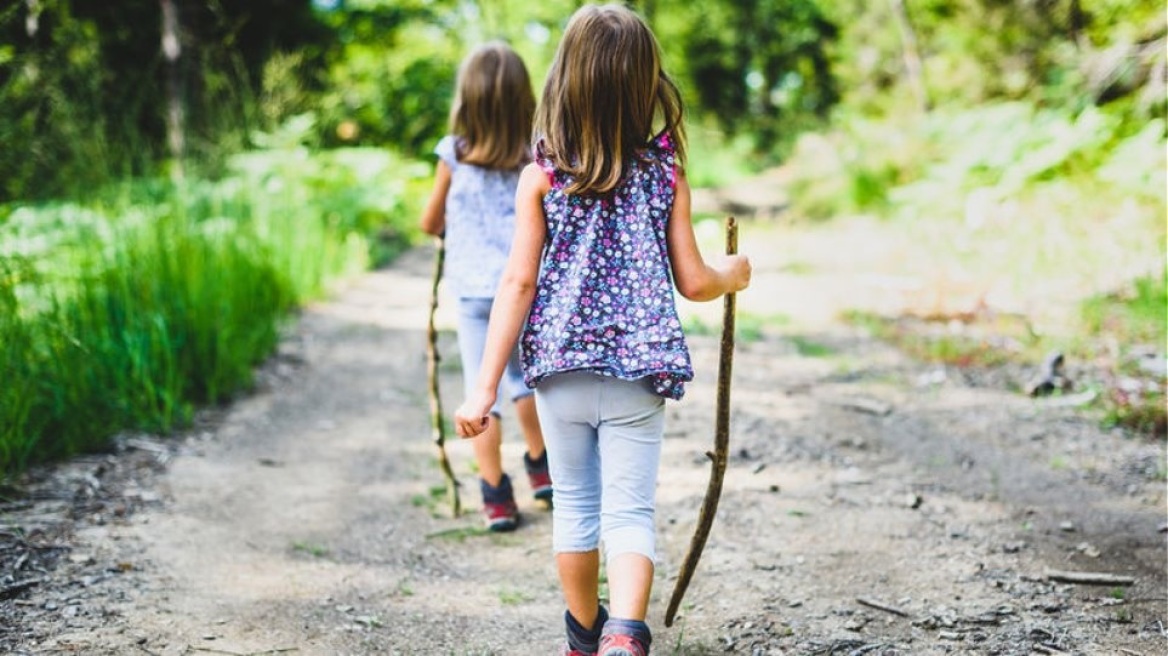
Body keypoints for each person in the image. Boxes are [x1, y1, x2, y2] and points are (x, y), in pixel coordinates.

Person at [453, 5, 752, 655]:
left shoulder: (542, 176)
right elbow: (696, 281)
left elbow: (517, 285)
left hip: (558, 373)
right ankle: (626, 633)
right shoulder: (662, 172)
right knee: (629, 513)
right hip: (637, 373)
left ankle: (584, 635)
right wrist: (735, 271)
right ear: (644, 85)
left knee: (577, 512)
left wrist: (482, 391)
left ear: (564, 81)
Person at [420, 41, 551, 533]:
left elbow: (430, 221)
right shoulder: (535, 157)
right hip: (523, 286)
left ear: (466, 100)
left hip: (474, 293)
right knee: (524, 380)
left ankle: (496, 494)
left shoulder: (452, 155)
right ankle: (541, 467)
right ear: (525, 100)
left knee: (484, 390)